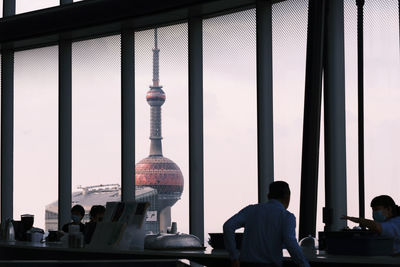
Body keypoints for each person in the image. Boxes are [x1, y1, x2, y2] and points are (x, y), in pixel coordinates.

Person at [223, 181, 310, 267]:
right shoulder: (287, 217)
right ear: (287, 197)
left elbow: (228, 226)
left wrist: (234, 256)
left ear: (268, 196)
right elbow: (290, 242)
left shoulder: (250, 210)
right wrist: (303, 263)